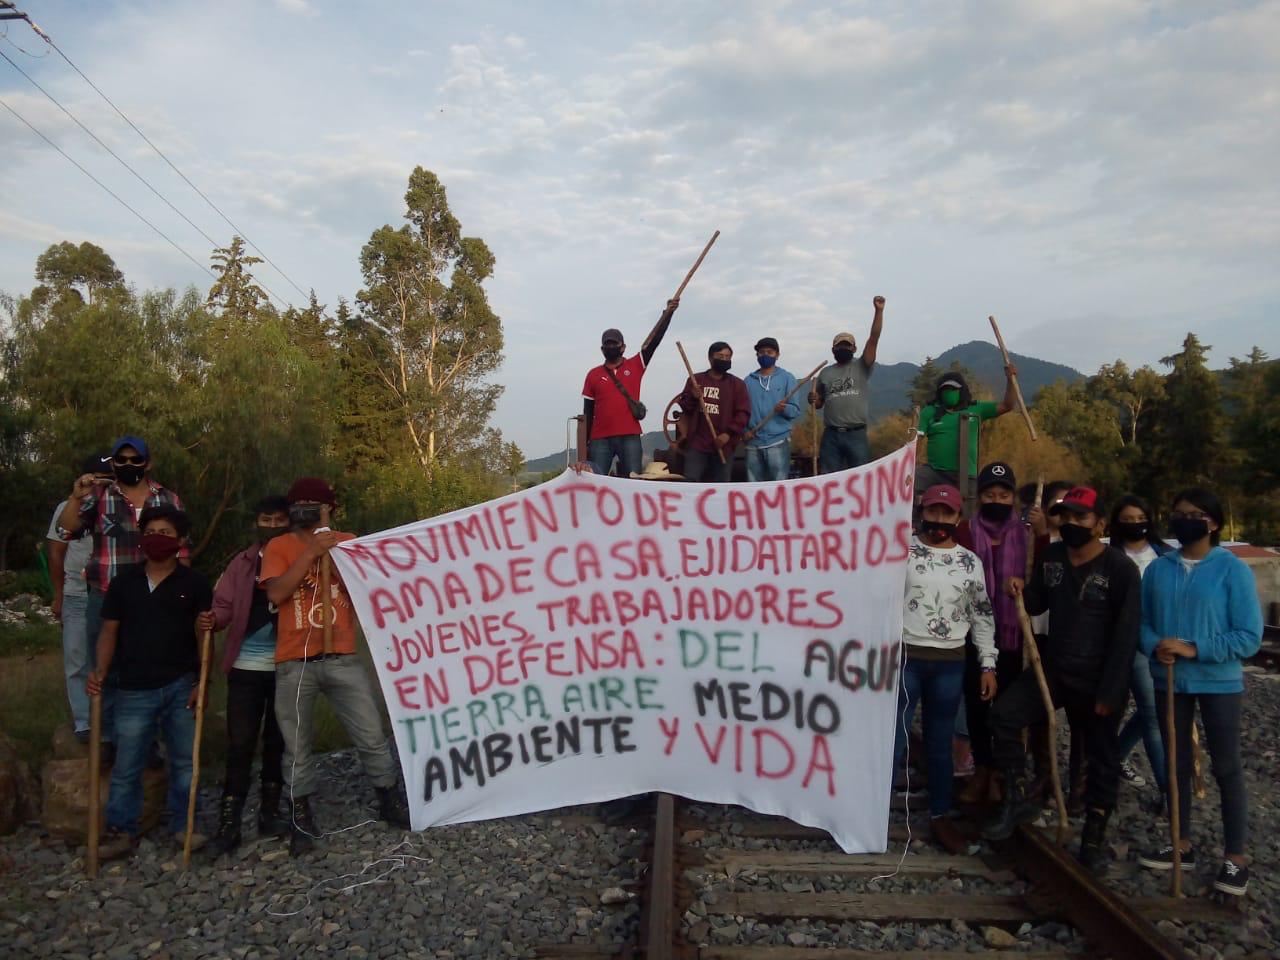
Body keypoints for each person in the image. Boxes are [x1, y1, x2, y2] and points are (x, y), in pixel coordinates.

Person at [982, 487, 1140, 874]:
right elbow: (1036, 601)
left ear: (1099, 524)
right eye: (1064, 517)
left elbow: (1127, 634)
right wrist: (1018, 588)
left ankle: (1093, 839)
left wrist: (1112, 690)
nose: (1071, 524)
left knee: (1102, 759)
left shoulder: (1120, 569)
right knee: (1004, 715)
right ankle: (1017, 797)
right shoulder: (1052, 557)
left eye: (1080, 518)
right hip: (1053, 669)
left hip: (1099, 677)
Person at [262, 477, 410, 856]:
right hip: (295, 660)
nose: (306, 509)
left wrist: (332, 550)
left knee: (371, 732)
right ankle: (300, 813)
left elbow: (365, 590)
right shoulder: (279, 546)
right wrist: (310, 553)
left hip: (341, 655)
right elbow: (278, 593)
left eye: (315, 504)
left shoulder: (348, 541)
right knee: (297, 745)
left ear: (330, 508)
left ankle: (388, 796)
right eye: (300, 504)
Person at [1137, 488, 1262, 897]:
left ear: (1210, 522)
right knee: (1176, 763)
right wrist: (1156, 643)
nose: (1183, 520)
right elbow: (1142, 623)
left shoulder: (1231, 570)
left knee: (1226, 767)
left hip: (1219, 682)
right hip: (1170, 680)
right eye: (1177, 514)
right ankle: (1181, 841)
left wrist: (1195, 648)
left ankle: (1236, 857)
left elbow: (1248, 636)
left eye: (1192, 514)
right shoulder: (1159, 569)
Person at [87, 505, 213, 860]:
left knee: (186, 762)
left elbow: (203, 635)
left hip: (180, 685)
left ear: (180, 541)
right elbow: (108, 631)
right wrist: (99, 670)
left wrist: (203, 681)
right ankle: (120, 829)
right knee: (128, 764)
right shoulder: (124, 583)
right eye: (152, 531)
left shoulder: (196, 584)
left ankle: (185, 824)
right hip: (133, 687)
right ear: (142, 537)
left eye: (166, 533)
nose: (158, 538)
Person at [58, 435, 187, 755]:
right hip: (105, 594)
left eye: (135, 460)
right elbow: (67, 529)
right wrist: (76, 497)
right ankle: (105, 738)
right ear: (113, 463)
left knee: (149, 668)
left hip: (153, 597)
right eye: (122, 460)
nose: (128, 466)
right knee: (103, 668)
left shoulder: (168, 499)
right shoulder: (100, 497)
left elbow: (183, 550)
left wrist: (184, 592)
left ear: (148, 463)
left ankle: (150, 743)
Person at [894, 483, 997, 853]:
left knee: (940, 744)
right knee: (895, 735)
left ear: (958, 517)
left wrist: (988, 664)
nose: (938, 520)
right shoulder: (900, 551)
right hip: (905, 657)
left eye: (946, 513)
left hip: (949, 664)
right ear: (921, 511)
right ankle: (874, 807)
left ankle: (939, 814)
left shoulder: (970, 562)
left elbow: (982, 616)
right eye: (932, 511)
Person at [205, 496, 293, 857]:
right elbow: (223, 606)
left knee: (277, 741)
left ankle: (269, 814)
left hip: (287, 665)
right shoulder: (241, 563)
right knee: (240, 743)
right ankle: (230, 823)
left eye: (279, 519)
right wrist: (213, 619)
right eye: (266, 518)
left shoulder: (297, 558)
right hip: (245, 666)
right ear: (256, 521)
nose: (272, 525)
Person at [954, 462, 1027, 805]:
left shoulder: (1026, 533)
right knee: (977, 703)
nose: (997, 499)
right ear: (979, 497)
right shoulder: (966, 532)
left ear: (1013, 496)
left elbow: (1038, 573)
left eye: (1004, 494)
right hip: (973, 632)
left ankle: (1004, 773)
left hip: (1014, 635)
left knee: (1009, 707)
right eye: (989, 494)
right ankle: (982, 767)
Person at [46, 453, 112, 746]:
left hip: (109, 592)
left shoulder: (116, 506)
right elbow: (56, 551)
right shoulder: (67, 508)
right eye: (94, 477)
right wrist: (57, 594)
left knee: (111, 658)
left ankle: (111, 720)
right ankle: (84, 722)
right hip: (76, 591)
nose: (98, 483)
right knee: (76, 658)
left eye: (104, 477)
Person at [1108, 495, 1170, 801]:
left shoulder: (1165, 555)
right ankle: (1168, 792)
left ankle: (1115, 756)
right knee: (1154, 715)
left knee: (1151, 711)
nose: (1135, 524)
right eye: (1127, 519)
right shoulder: (1109, 556)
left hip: (1164, 641)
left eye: (1139, 518)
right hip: (1130, 642)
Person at [577, 297, 680, 477]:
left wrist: (668, 314)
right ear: (602, 349)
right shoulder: (593, 374)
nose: (610, 347)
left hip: (629, 436)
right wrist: (586, 443)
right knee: (594, 480)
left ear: (623, 347)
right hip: (599, 439)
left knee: (633, 481)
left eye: (614, 344)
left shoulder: (636, 365)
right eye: (607, 345)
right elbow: (588, 411)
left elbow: (653, 342)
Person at [915, 368, 1019, 498]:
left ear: (962, 390)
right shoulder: (930, 411)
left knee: (969, 508)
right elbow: (916, 439)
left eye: (953, 390)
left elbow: (1007, 405)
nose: (949, 393)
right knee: (908, 484)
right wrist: (908, 465)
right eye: (945, 390)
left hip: (966, 475)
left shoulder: (976, 409)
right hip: (934, 471)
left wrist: (1010, 379)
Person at [811, 296, 885, 472]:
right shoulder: (825, 372)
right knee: (829, 478)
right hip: (831, 435)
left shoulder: (862, 365)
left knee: (859, 477)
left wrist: (879, 311)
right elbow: (819, 403)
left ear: (854, 349)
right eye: (839, 346)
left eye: (847, 346)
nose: (843, 349)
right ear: (833, 350)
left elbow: (874, 338)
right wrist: (813, 398)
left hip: (856, 434)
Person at [674, 342, 750, 483]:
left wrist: (728, 434)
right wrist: (693, 396)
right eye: (720, 356)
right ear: (710, 358)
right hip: (698, 444)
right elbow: (686, 407)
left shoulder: (738, 385)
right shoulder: (696, 380)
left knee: (722, 484)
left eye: (728, 357)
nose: (724, 360)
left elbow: (743, 413)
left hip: (724, 446)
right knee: (691, 481)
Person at [743, 337, 800, 481]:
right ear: (757, 355)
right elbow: (742, 412)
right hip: (753, 443)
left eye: (770, 352)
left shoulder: (787, 378)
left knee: (779, 486)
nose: (765, 355)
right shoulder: (748, 382)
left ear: (777, 355)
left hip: (778, 441)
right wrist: (744, 432)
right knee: (754, 485)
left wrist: (784, 408)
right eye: (761, 352)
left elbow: (795, 411)